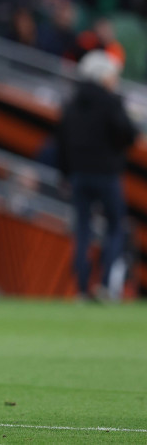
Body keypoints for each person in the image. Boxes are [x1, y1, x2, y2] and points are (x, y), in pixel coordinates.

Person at [56, 50, 138, 301]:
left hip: (79, 175)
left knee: (82, 230)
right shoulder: (111, 101)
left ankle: (81, 288)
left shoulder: (72, 102)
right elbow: (129, 133)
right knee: (115, 227)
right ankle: (103, 284)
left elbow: (61, 142)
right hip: (107, 174)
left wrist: (65, 174)